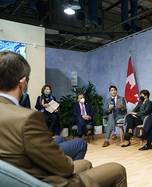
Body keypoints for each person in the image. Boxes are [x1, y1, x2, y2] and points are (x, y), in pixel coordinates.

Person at [0, 50, 127, 186]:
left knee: (85, 164)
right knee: (117, 169)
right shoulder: (27, 118)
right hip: (45, 181)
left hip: (20, 175)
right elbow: (64, 167)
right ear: (23, 82)